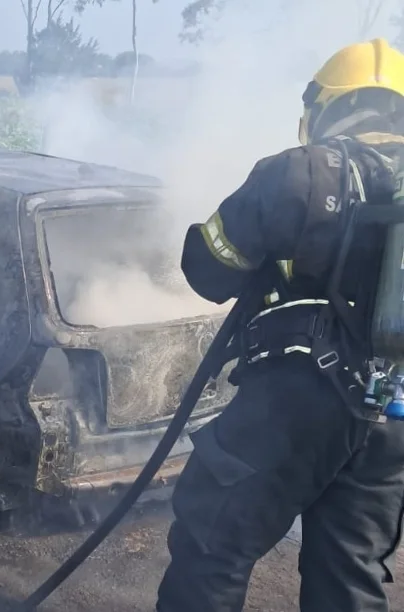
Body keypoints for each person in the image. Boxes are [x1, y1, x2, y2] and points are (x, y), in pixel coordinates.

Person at [156, 38, 404, 612]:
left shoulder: (301, 172)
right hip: (392, 413)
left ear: (324, 109)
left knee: (212, 543)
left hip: (300, 397)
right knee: (350, 572)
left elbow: (209, 271)